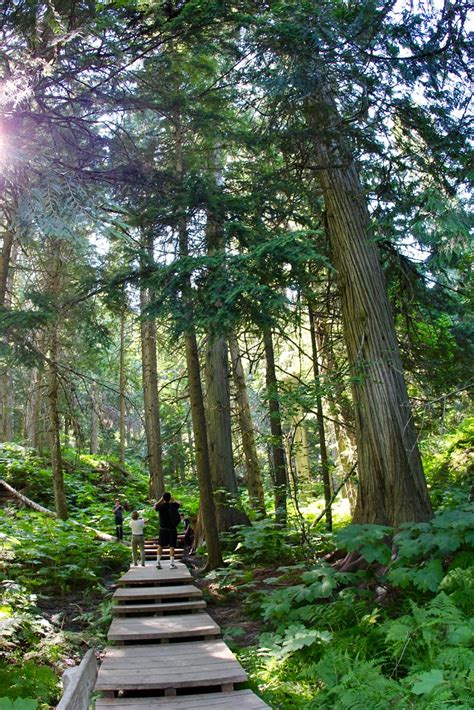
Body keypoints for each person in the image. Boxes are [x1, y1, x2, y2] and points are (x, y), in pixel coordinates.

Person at [154, 492, 181, 569]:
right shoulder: (173, 506)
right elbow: (180, 503)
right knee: (172, 546)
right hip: (172, 529)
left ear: (163, 498)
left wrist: (160, 500)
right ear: (170, 498)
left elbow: (155, 506)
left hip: (163, 529)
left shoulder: (160, 506)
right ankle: (172, 564)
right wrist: (173, 499)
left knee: (160, 546)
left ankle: (158, 563)